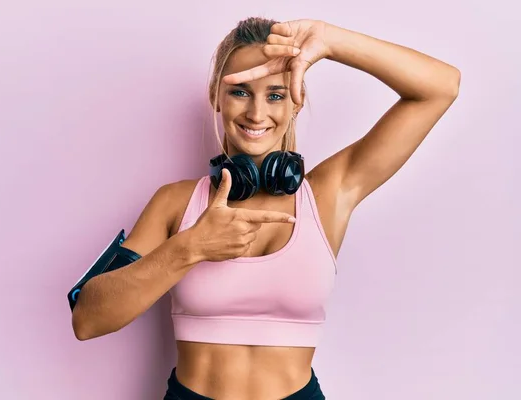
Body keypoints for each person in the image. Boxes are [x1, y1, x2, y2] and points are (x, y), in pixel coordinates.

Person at [70, 16, 460, 400]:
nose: (257, 113)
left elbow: (441, 87)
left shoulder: (328, 193)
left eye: (275, 94)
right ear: (215, 97)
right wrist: (191, 247)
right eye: (240, 91)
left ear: (296, 100)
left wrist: (329, 39)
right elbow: (88, 319)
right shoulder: (176, 203)